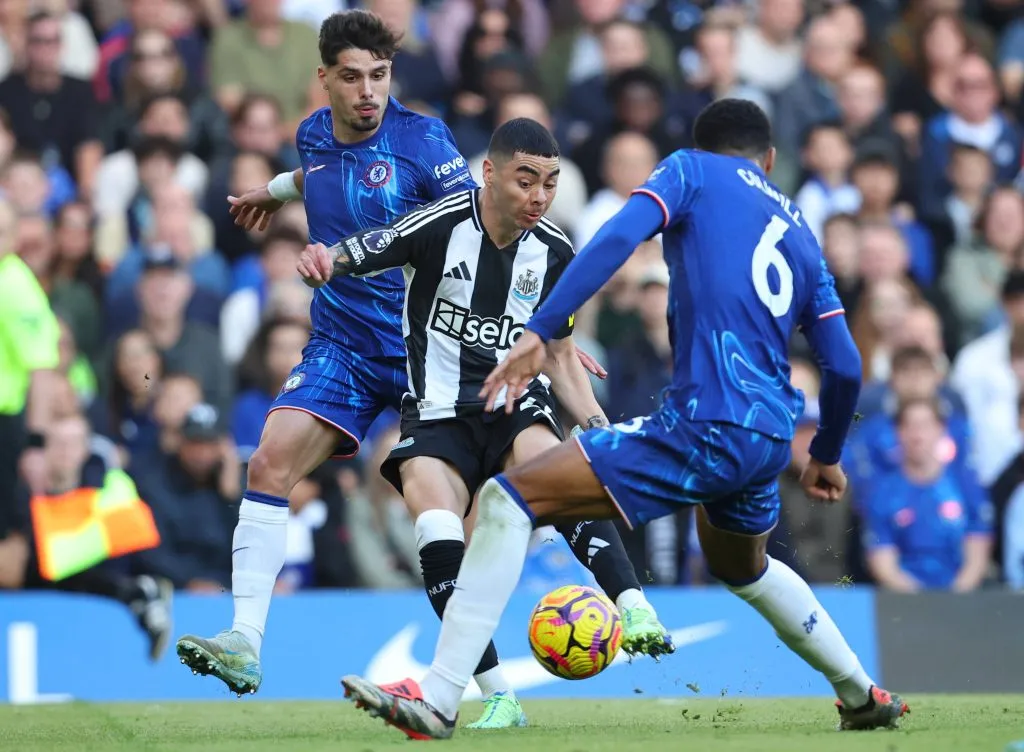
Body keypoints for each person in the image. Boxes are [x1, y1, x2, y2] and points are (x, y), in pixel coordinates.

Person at [340, 99, 909, 738]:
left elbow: (616, 235)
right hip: (772, 435)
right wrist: (827, 453)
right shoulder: (801, 227)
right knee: (742, 568)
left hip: (702, 423)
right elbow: (845, 366)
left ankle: (440, 699)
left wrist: (545, 325)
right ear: (769, 160)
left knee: (505, 501)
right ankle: (860, 693)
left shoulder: (690, 171)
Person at [174, 9, 603, 710]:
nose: (369, 91)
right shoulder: (311, 134)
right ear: (325, 80)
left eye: (380, 75)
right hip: (343, 343)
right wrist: (271, 192)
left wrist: (540, 331)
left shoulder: (424, 141)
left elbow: (483, 227)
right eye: (352, 78)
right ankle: (245, 642)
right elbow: (316, 174)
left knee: (452, 522)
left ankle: (499, 687)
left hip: (425, 351)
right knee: (268, 462)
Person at [295, 117, 672, 727]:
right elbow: (364, 248)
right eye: (526, 181)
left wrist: (598, 426)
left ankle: (632, 606)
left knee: (552, 472)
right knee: (437, 530)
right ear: (490, 173)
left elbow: (556, 353)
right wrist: (323, 259)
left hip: (513, 405)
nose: (539, 196)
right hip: (437, 411)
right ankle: (498, 694)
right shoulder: (439, 224)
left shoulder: (555, 252)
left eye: (549, 183)